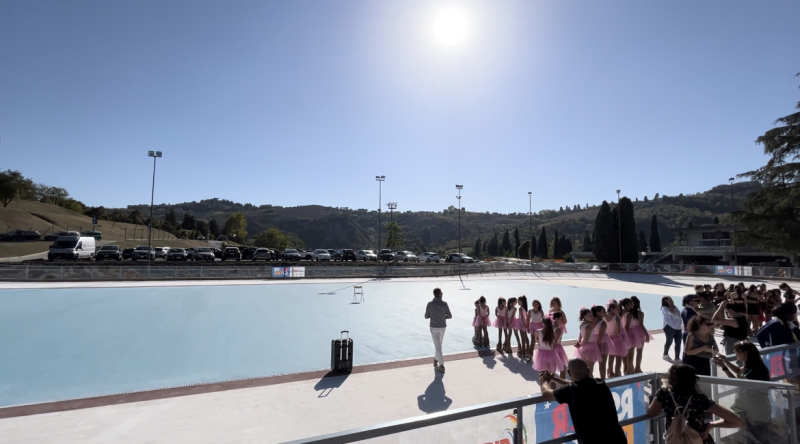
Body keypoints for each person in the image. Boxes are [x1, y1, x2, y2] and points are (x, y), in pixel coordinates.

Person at [647, 364, 744, 444]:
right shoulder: (700, 399)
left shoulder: (664, 393)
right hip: (699, 439)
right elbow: (738, 422)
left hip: (675, 439)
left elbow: (651, 413)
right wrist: (711, 425)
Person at [539, 359, 628, 444]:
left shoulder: (572, 391)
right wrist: (554, 379)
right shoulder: (601, 384)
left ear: (569, 373)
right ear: (588, 370)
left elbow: (546, 393)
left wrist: (544, 381)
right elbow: (575, 384)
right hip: (617, 439)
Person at [424, 287, 452, 373]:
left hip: (433, 327)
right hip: (442, 327)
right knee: (439, 345)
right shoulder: (445, 304)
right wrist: (443, 317)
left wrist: (433, 315)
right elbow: (450, 316)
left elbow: (426, 316)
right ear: (439, 294)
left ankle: (441, 365)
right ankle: (436, 360)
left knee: (438, 346)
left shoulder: (430, 304)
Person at [573, 308, 601, 377]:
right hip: (590, 348)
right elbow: (585, 339)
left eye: (592, 316)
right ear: (584, 317)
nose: (592, 317)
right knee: (590, 370)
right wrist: (579, 344)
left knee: (585, 369)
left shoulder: (582, 324)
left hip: (584, 347)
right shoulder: (589, 327)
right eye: (589, 316)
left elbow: (580, 335)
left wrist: (578, 343)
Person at [627, 296, 651, 373]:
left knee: (631, 351)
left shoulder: (628, 313)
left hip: (632, 332)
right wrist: (646, 334)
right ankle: (638, 367)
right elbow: (641, 324)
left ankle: (630, 367)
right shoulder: (640, 313)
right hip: (639, 332)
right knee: (639, 351)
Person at [605, 300, 628, 378]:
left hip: (609, 339)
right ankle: (617, 373)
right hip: (617, 339)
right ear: (612, 309)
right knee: (618, 357)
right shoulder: (617, 318)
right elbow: (618, 332)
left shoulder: (605, 317)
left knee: (610, 357)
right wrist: (612, 337)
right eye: (617, 309)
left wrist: (609, 337)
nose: (619, 310)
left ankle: (610, 373)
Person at [591, 305, 610, 380]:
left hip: (594, 342)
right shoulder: (603, 323)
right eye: (603, 311)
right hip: (602, 343)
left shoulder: (592, 320)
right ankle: (602, 379)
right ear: (598, 312)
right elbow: (600, 336)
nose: (605, 313)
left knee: (592, 363)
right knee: (602, 363)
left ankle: (592, 378)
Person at [661, 296, 682, 361]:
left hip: (678, 327)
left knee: (678, 343)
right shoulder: (664, 308)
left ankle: (677, 357)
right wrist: (670, 304)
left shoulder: (675, 307)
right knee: (669, 341)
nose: (672, 301)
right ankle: (665, 354)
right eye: (670, 300)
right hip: (669, 327)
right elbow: (672, 312)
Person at [551, 311, 569, 379]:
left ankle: (553, 386)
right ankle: (562, 384)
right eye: (561, 318)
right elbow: (555, 342)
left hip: (552, 348)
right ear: (556, 319)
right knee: (562, 368)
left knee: (553, 370)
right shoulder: (558, 330)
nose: (563, 320)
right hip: (557, 348)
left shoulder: (551, 328)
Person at [515, 295, 531, 361]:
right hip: (525, 323)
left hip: (522, 324)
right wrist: (527, 325)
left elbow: (521, 317)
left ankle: (523, 350)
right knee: (525, 337)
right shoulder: (525, 308)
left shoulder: (520, 308)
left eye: (518, 300)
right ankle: (527, 349)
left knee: (523, 338)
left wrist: (525, 325)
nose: (518, 302)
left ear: (521, 301)